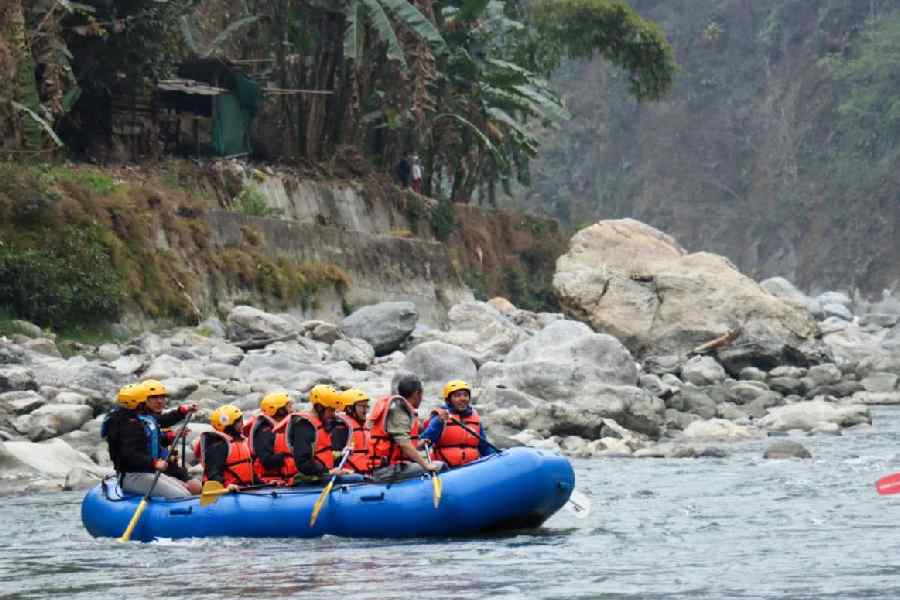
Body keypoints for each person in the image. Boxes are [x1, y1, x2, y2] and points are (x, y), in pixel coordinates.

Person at [101, 380, 198, 499]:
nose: (147, 404)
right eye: (145, 401)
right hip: (133, 476)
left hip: (148, 472)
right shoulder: (127, 425)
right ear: (138, 402)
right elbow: (130, 454)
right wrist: (154, 463)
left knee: (186, 493)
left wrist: (171, 435)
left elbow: (150, 436)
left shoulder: (139, 420)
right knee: (181, 496)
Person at [368, 375, 441, 478]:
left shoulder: (402, 409)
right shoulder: (399, 411)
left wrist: (419, 444)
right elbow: (403, 444)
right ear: (417, 394)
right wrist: (426, 465)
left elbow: (400, 445)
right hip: (388, 469)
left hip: (394, 466)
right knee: (441, 466)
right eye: (421, 394)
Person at [284, 384, 353, 484]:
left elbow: (322, 454)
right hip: (307, 479)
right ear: (319, 407)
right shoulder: (304, 426)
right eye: (331, 410)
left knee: (357, 476)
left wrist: (341, 454)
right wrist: (327, 472)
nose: (334, 414)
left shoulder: (321, 424)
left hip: (320, 476)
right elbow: (303, 463)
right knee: (357, 478)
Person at [143, 380, 202, 495]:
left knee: (197, 486)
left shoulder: (158, 418)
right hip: (153, 468)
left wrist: (174, 436)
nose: (159, 401)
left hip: (169, 465)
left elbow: (161, 433)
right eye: (154, 398)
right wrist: (182, 411)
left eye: (162, 397)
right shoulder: (143, 420)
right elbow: (161, 423)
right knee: (186, 490)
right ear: (144, 400)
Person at [421, 380, 496, 468]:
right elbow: (423, 444)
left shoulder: (475, 418)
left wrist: (496, 459)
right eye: (457, 395)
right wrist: (438, 422)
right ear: (448, 400)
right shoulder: (440, 417)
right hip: (446, 471)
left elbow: (485, 447)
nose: (463, 398)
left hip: (472, 468)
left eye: (465, 395)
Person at [194, 404, 255, 491]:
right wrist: (227, 486)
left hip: (243, 489)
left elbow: (250, 472)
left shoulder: (240, 442)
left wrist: (265, 484)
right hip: (225, 492)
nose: (242, 424)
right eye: (238, 422)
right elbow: (212, 473)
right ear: (228, 426)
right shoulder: (218, 445)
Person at [245, 391, 295, 484]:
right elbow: (267, 461)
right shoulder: (264, 431)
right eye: (288, 407)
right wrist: (292, 456)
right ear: (279, 410)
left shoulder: (284, 426)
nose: (292, 410)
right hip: (269, 481)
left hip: (286, 479)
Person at [331, 388, 373, 474]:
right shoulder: (340, 428)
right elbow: (336, 457)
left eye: (367, 406)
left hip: (368, 470)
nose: (366, 410)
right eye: (362, 406)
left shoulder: (366, 425)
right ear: (349, 409)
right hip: (350, 473)